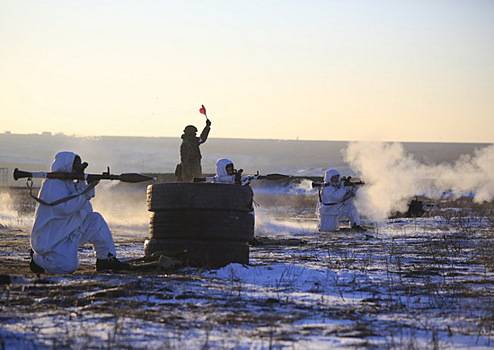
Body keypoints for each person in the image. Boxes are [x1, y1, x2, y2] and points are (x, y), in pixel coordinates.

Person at [29, 151, 130, 274]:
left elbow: (86, 208)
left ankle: (106, 259)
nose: (78, 169)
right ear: (66, 166)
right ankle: (38, 260)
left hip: (68, 230)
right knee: (67, 267)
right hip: (52, 239)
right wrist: (87, 189)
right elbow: (67, 208)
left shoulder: (69, 183)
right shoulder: (53, 185)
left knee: (95, 221)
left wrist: (86, 183)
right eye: (76, 166)